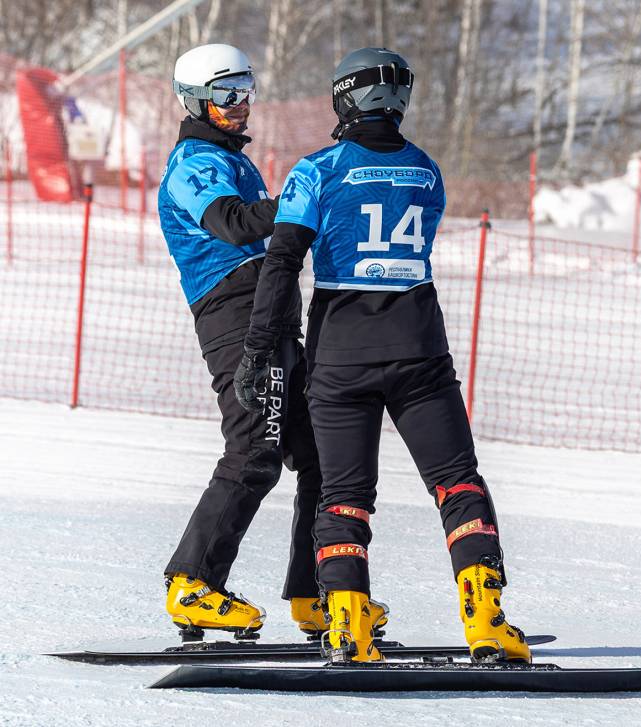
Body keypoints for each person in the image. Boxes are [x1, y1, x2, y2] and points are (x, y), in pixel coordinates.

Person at [234, 47, 530, 665]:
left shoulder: (316, 170)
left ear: (344, 99)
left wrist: (260, 348)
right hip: (420, 347)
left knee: (342, 495)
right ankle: (487, 623)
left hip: (342, 354)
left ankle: (348, 627)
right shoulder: (427, 169)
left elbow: (283, 262)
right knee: (458, 483)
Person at [158, 43, 339, 640]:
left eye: (246, 92)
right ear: (194, 101)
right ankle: (192, 583)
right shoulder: (195, 164)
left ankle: (314, 594)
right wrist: (299, 203)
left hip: (273, 315)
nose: (240, 107)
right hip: (234, 317)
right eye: (225, 96)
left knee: (316, 456)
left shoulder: (231, 158)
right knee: (254, 451)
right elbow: (232, 223)